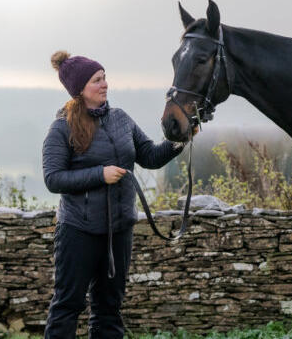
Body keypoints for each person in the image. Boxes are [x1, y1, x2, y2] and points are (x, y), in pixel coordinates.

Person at [42, 51, 186, 338]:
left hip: (119, 230)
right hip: (78, 231)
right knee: (67, 306)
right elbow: (53, 178)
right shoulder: (61, 128)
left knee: (109, 309)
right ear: (80, 89)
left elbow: (149, 156)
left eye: (104, 77)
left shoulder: (121, 119)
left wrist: (179, 140)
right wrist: (100, 174)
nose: (105, 83)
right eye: (97, 80)